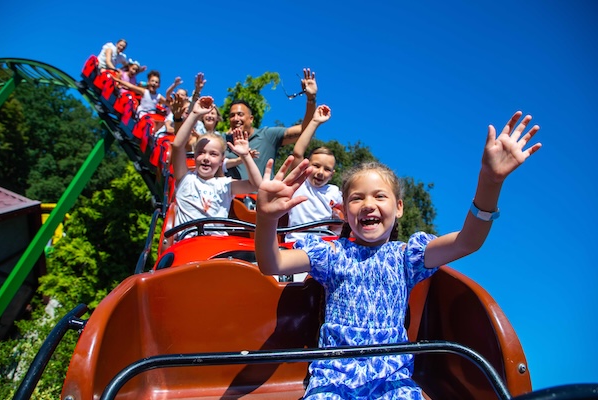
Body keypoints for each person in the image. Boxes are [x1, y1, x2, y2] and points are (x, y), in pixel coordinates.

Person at [254, 111, 542, 399]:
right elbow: (272, 263)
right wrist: (266, 219)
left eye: (380, 196)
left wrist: (490, 182)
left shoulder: (407, 255)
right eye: (356, 198)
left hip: (391, 376)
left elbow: (468, 241)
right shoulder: (331, 253)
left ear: (399, 207)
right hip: (334, 374)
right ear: (342, 211)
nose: (368, 205)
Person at [171, 96, 262, 237]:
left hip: (215, 246)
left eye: (213, 154)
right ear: (194, 156)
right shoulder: (185, 179)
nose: (206, 158)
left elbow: (256, 185)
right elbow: (177, 146)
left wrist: (245, 156)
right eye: (201, 153)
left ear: (221, 161)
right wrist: (194, 115)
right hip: (187, 244)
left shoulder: (224, 184)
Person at [224, 68, 318, 179]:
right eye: (232, 115)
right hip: (229, 195)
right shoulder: (222, 141)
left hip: (260, 195)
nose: (235, 119)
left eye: (240, 114)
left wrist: (311, 99)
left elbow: (305, 130)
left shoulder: (268, 136)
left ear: (251, 119)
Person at [285, 105, 343, 242]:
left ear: (332, 174)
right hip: (296, 241)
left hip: (324, 243)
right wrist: (315, 122)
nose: (321, 172)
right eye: (316, 166)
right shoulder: (300, 183)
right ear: (306, 166)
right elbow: (298, 152)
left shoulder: (334, 191)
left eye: (327, 169)